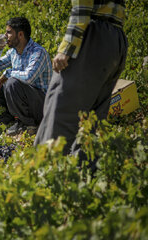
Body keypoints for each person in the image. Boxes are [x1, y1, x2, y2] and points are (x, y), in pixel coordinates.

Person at [34, 0, 128, 164]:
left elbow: (82, 7)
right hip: (116, 38)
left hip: (93, 37)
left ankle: (45, 174)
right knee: (91, 118)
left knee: (61, 109)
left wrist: (67, 48)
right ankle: (83, 177)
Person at [0, 17, 52, 136]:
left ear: (20, 34)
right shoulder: (14, 52)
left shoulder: (38, 53)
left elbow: (29, 77)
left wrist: (8, 73)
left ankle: (29, 124)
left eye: (8, 32)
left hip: (40, 106)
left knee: (12, 82)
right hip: (20, 99)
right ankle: (9, 120)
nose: (5, 36)